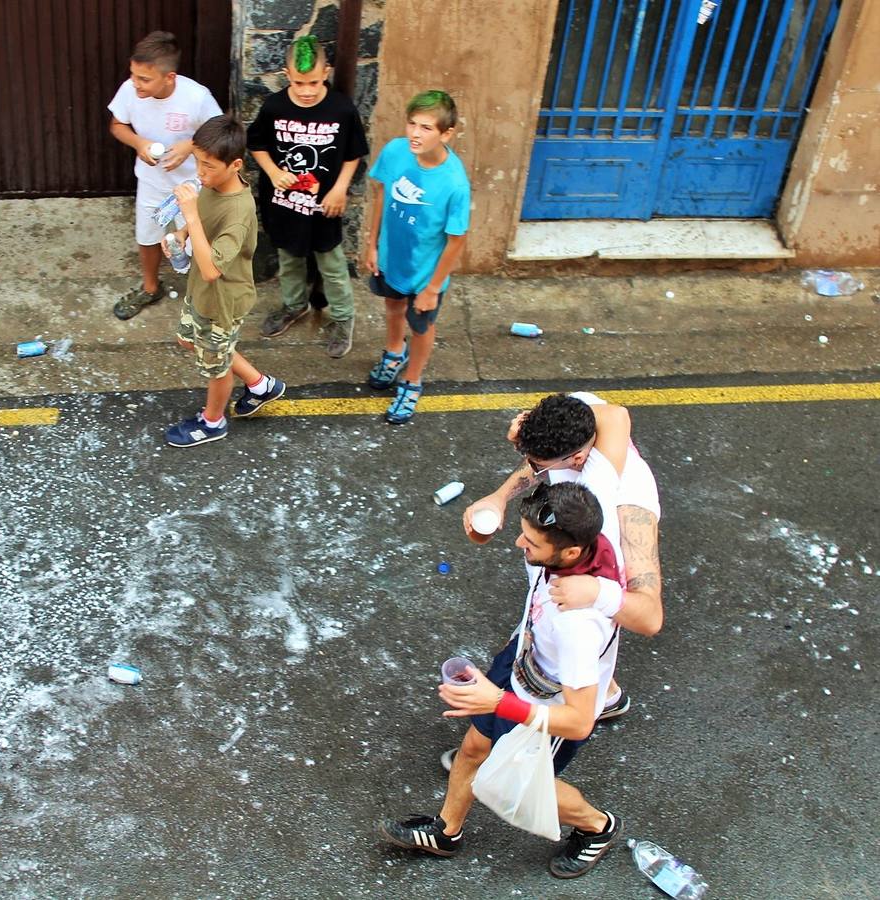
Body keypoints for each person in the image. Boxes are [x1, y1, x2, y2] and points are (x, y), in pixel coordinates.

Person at [381, 482, 625, 880]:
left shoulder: (578, 628)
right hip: (522, 665)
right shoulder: (584, 544)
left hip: (547, 704)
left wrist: (496, 702)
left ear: (571, 552)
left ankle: (597, 826)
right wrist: (496, 502)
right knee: (475, 748)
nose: (517, 544)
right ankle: (447, 832)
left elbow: (578, 721)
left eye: (530, 541)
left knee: (519, 787)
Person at [464, 391, 663, 717]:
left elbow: (650, 616)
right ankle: (608, 695)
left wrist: (597, 592)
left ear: (577, 458)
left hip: (583, 596)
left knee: (573, 649)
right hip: (554, 569)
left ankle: (591, 700)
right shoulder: (574, 416)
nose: (529, 466)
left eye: (536, 463)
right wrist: (499, 497)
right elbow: (605, 419)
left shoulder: (629, 508)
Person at [165, 116, 286, 447]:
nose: (200, 173)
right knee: (191, 342)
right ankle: (260, 385)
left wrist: (188, 215)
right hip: (201, 293)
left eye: (207, 166)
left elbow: (211, 270)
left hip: (222, 301)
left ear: (235, 165)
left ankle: (213, 422)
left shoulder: (238, 213)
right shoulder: (213, 183)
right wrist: (181, 232)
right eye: (197, 163)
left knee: (216, 369)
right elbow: (203, 215)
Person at [247, 35, 369, 359]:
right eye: (299, 82)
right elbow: (256, 144)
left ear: (326, 72)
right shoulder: (274, 107)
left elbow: (353, 153)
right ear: (287, 75)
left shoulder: (342, 108)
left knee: (331, 263)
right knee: (289, 258)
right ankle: (294, 305)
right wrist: (273, 172)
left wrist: (340, 188)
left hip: (325, 205)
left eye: (314, 82)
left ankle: (343, 318)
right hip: (285, 205)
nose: (306, 90)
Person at [360, 90, 471, 424]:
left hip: (424, 273)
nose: (414, 134)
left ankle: (412, 380)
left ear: (446, 133)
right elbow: (381, 193)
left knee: (421, 326)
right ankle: (394, 352)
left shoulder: (454, 183)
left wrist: (433, 287)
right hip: (392, 258)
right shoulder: (396, 152)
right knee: (392, 307)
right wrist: (372, 243)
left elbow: (456, 241)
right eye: (412, 123)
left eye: (426, 128)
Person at [108, 31, 222, 321]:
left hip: (192, 186)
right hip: (151, 181)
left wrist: (190, 146)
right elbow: (117, 124)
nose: (136, 84)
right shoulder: (129, 90)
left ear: (169, 77)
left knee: (197, 243)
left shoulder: (197, 97)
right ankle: (150, 287)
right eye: (133, 75)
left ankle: (202, 299)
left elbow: (221, 134)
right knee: (146, 237)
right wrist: (139, 143)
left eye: (144, 79)